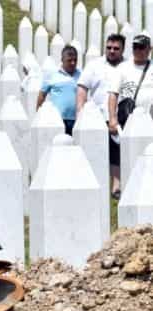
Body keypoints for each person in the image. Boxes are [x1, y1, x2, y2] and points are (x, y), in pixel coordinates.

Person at [77, 33, 125, 199]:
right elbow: (83, 88)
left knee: (117, 152)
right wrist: (80, 112)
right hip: (96, 116)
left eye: (116, 48)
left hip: (119, 116)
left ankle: (116, 187)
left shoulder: (126, 66)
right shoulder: (94, 65)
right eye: (109, 47)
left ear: (122, 50)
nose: (111, 51)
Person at [108, 34, 153, 198]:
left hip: (149, 119)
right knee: (124, 153)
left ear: (149, 49)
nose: (137, 51)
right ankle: (121, 187)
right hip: (128, 118)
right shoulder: (123, 68)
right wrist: (112, 118)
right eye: (135, 47)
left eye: (141, 47)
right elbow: (113, 94)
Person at [37, 45, 81, 135]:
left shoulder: (81, 74)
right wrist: (39, 113)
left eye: (75, 60)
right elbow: (42, 94)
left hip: (77, 119)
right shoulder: (52, 75)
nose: (73, 63)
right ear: (62, 60)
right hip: (57, 120)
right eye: (69, 60)